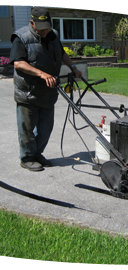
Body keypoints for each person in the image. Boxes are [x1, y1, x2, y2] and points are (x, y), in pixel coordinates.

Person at [10, 7, 82, 172]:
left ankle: (37, 154)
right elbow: (18, 63)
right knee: (27, 129)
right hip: (28, 93)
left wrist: (73, 67)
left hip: (49, 92)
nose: (44, 32)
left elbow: (62, 53)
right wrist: (42, 74)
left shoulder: (53, 35)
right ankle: (27, 158)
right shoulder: (21, 37)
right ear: (31, 23)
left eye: (47, 28)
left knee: (45, 128)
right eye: (40, 29)